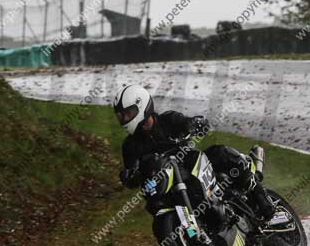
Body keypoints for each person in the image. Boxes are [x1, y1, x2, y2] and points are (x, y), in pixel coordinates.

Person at [112, 84, 276, 221]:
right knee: (153, 204)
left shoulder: (168, 120)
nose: (124, 119)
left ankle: (260, 196)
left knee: (220, 153)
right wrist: (129, 176)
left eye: (128, 113)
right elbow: (132, 173)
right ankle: (194, 233)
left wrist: (194, 123)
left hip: (192, 165)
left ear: (141, 106)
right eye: (121, 116)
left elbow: (186, 122)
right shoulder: (130, 146)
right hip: (168, 187)